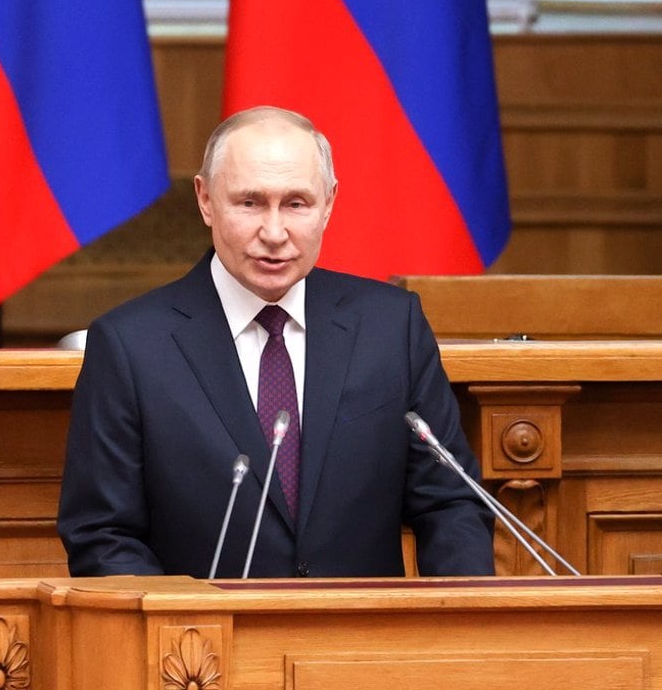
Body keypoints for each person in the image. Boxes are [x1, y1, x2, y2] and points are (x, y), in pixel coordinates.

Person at [58, 106, 494, 578]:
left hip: (360, 641)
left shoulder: (391, 327)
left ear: (329, 203)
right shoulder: (130, 345)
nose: (274, 232)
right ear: (205, 200)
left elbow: (452, 505)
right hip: (202, 645)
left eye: (296, 204)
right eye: (250, 203)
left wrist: (455, 630)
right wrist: (186, 636)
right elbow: (102, 534)